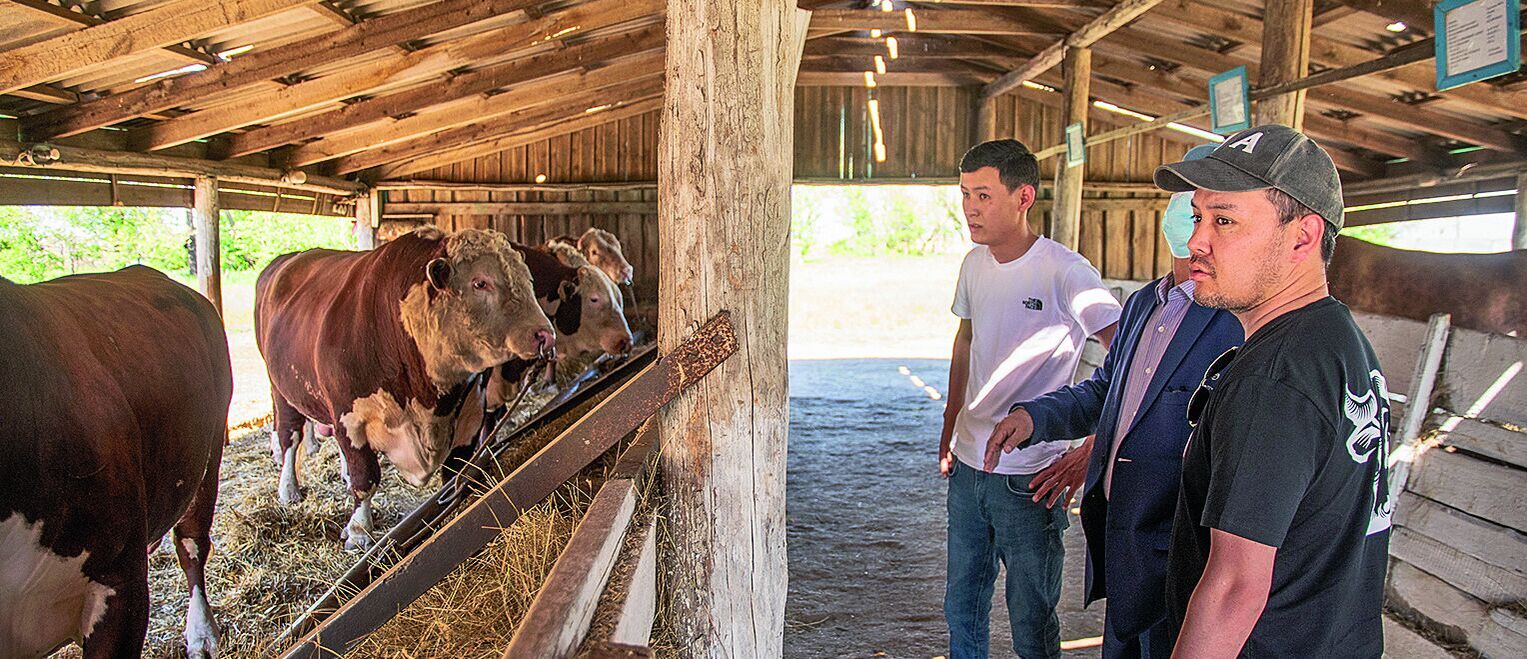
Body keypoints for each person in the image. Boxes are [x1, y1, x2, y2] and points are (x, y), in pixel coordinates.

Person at [984, 145, 1243, 659]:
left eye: (1205, 209)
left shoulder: (1234, 317)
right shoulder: (1147, 302)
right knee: (1124, 641)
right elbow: (1108, 391)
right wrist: (1035, 416)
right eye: (1183, 205)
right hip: (1124, 528)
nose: (1189, 219)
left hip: (1181, 536)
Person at [1154, 125, 1394, 656]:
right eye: (1198, 217)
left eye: (1224, 221)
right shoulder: (1338, 342)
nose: (1196, 240)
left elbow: (1235, 586)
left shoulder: (1275, 378)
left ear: (1303, 237)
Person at [939, 138, 1121, 659]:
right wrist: (951, 425)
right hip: (971, 466)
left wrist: (1090, 446)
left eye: (984, 195)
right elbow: (966, 340)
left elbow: (1128, 358)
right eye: (965, 194)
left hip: (1031, 476)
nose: (971, 207)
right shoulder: (974, 265)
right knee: (962, 603)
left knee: (1031, 617)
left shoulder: (1066, 271)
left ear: (1023, 197)